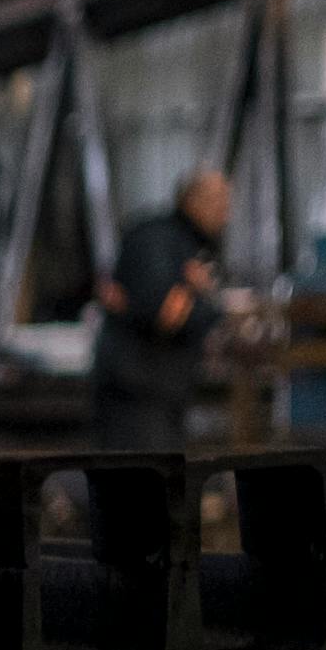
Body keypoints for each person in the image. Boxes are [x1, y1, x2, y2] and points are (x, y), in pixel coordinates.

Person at [91, 160, 238, 448]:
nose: (226, 215)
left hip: (162, 391)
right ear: (193, 200)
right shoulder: (157, 239)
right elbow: (166, 313)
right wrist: (201, 297)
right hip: (137, 395)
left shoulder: (187, 244)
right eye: (219, 202)